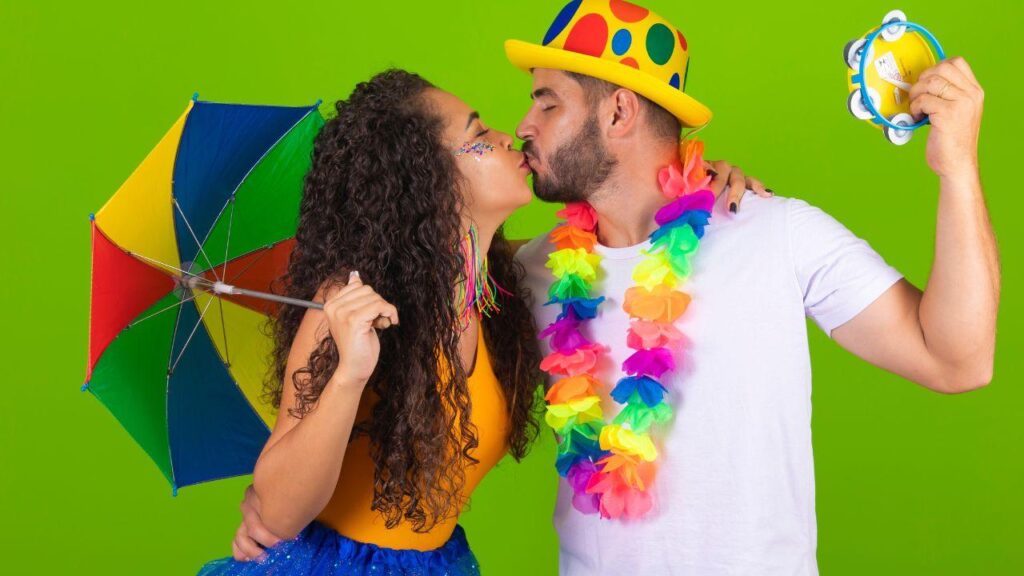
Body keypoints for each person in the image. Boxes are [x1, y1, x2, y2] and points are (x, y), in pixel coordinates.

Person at [199, 67, 762, 575]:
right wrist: (349, 374)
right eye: (477, 134)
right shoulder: (351, 304)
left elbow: (626, 235)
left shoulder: (514, 287)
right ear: (426, 178)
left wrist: (696, 179)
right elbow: (278, 513)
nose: (507, 135)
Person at [503, 1, 997, 574]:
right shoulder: (531, 272)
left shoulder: (775, 233)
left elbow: (956, 360)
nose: (524, 125)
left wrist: (958, 168)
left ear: (619, 111)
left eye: (548, 103)